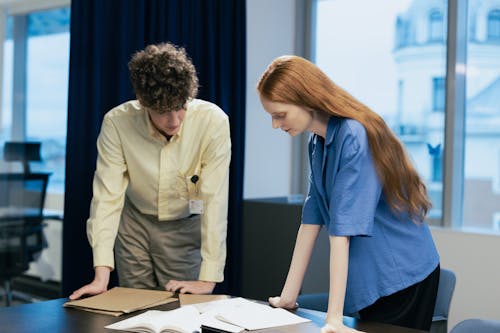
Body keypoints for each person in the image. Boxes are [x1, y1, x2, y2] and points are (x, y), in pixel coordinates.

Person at [257, 55, 440, 333]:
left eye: (279, 115)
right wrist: (288, 297)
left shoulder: (355, 135)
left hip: (402, 275)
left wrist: (334, 318)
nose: (275, 125)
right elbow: (311, 220)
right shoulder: (317, 142)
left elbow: (342, 232)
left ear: (306, 100)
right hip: (372, 274)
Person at [70, 42, 231, 299]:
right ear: (143, 103)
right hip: (134, 224)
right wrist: (101, 275)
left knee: (182, 311)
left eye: (181, 108)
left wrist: (208, 279)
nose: (174, 121)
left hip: (185, 225)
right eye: (163, 112)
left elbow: (215, 200)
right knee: (134, 308)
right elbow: (106, 198)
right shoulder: (117, 123)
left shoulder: (213, 122)